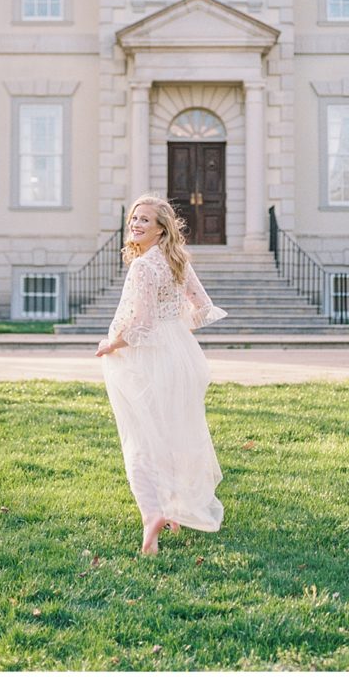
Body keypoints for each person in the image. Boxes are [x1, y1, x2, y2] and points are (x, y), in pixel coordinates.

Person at [95, 194, 227, 555]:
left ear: (161, 229)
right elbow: (201, 308)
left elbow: (142, 325)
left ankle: (151, 515)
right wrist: (176, 331)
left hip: (146, 358)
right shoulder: (177, 260)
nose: (136, 225)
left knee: (140, 437)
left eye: (145, 221)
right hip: (179, 355)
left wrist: (111, 345)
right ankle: (171, 507)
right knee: (169, 432)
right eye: (134, 219)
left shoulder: (142, 267)